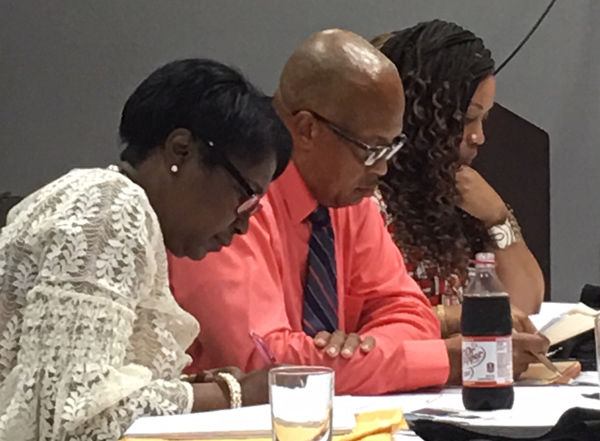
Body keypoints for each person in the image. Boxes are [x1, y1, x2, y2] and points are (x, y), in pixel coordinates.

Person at [169, 29, 549, 395]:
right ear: (307, 129)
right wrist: (444, 361)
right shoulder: (233, 198)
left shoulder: (348, 198)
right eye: (371, 149)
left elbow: (411, 313)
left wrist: (359, 354)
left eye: (390, 149)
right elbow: (264, 362)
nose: (381, 168)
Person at [0, 58, 292, 440]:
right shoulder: (110, 208)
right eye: (246, 196)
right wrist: (235, 394)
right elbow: (72, 420)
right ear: (181, 150)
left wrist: (186, 390)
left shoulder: (107, 202)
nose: (244, 224)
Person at [371, 21, 545, 339]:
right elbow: (365, 322)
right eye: (467, 119)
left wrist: (498, 219)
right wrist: (449, 318)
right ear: (422, 116)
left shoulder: (457, 192)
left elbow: (524, 306)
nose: (479, 136)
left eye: (483, 119)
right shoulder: (367, 200)